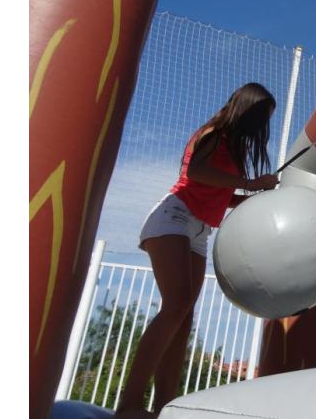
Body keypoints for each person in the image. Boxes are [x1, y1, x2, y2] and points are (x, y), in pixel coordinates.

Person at [114, 83, 280, 418]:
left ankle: (163, 406)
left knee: (183, 316)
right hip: (173, 217)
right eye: (262, 117)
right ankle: (128, 405)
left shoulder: (230, 148)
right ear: (246, 109)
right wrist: (250, 184)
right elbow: (196, 173)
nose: (263, 126)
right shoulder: (213, 133)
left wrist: (253, 195)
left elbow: (218, 193)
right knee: (175, 306)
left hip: (199, 230)